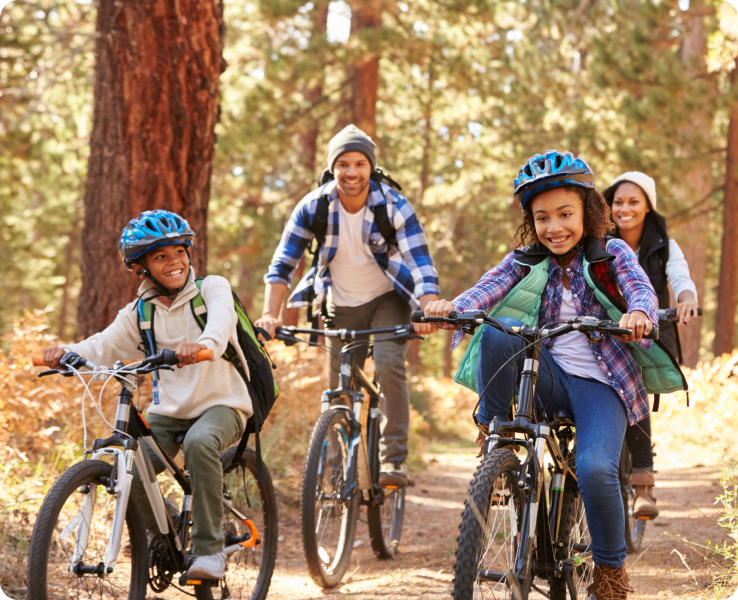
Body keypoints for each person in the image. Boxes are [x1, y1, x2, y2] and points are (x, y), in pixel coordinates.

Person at [424, 150, 669, 598]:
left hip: (601, 384)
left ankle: (610, 573)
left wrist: (638, 312)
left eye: (565, 214)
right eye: (542, 218)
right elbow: (486, 290)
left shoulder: (609, 252)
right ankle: (497, 438)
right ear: (530, 221)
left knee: (595, 469)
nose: (554, 227)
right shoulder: (524, 260)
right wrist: (452, 309)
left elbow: (639, 286)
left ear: (588, 211)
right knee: (500, 330)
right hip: (549, 378)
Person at [41, 210, 250, 580]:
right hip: (170, 409)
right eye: (160, 257)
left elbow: (220, 325)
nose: (175, 263)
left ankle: (210, 549)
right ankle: (164, 524)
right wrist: (65, 352)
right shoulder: (141, 312)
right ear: (142, 267)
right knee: (130, 464)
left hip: (224, 403)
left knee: (201, 443)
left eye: (179, 252)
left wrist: (202, 345)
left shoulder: (211, 288)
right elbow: (103, 344)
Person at [256, 125, 439, 488]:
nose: (351, 172)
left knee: (388, 365)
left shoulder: (393, 205)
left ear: (370, 166)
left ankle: (394, 460)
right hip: (338, 302)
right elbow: (282, 265)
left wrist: (427, 307)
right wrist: (270, 315)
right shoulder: (314, 206)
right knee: (338, 391)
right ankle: (338, 474)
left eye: (359, 163)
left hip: (388, 299)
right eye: (343, 164)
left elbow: (420, 263)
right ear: (332, 167)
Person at [603, 172, 699, 519]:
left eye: (633, 202)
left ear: (647, 208)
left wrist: (686, 300)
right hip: (602, 329)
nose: (624, 209)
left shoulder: (665, 246)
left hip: (646, 333)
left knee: (634, 385)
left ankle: (643, 485)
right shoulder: (597, 240)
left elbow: (681, 279)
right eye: (617, 202)